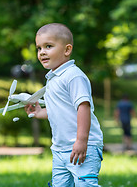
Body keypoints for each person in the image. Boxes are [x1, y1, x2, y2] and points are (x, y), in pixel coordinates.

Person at [25, 23, 103, 187]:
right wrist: (39, 112)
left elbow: (83, 107)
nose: (42, 52)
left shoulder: (73, 76)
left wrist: (81, 141)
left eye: (48, 46)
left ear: (67, 50)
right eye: (39, 48)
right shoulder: (52, 79)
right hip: (60, 149)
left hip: (82, 147)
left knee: (85, 185)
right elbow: (59, 109)